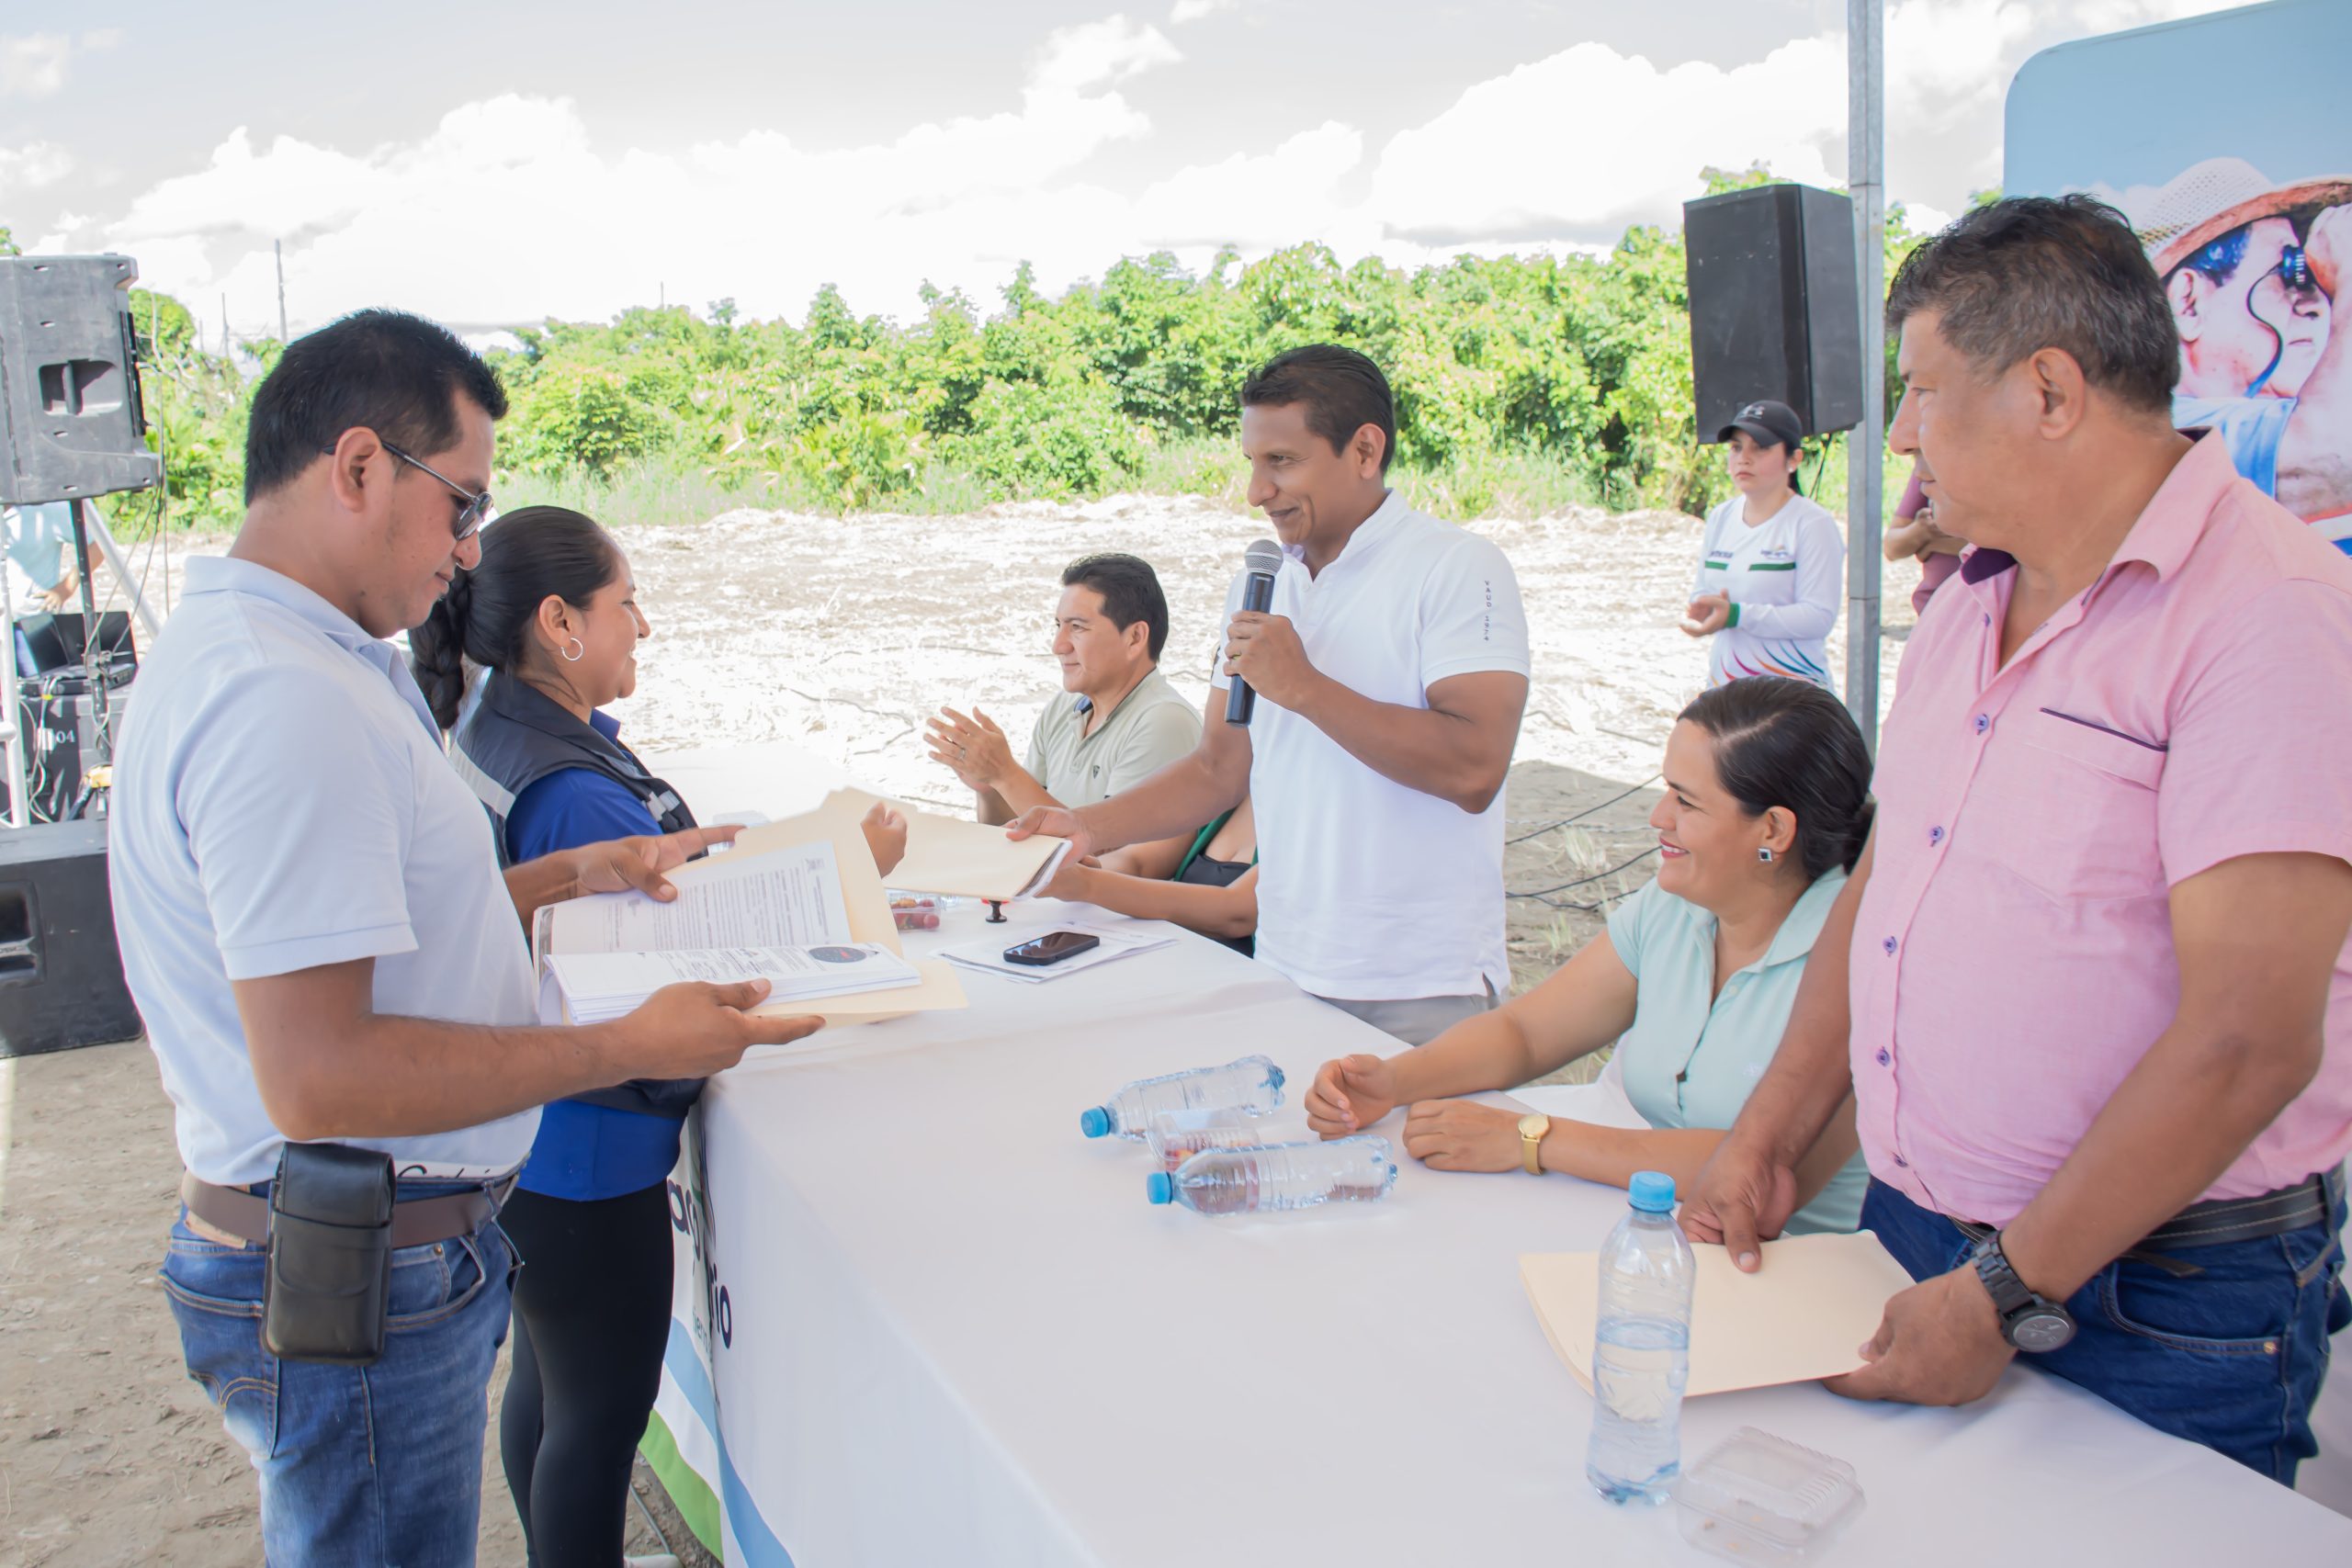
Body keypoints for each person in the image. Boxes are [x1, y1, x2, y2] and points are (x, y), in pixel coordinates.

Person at [107, 309, 822, 1566]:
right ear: (360, 465)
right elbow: (323, 1073)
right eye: (462, 502)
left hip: (360, 1246)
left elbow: (384, 934)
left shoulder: (276, 653)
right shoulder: (285, 699)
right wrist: (626, 1044)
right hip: (359, 1267)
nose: (468, 546)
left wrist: (560, 874)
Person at [1681, 197, 2352, 1484]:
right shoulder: (1966, 605)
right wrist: (1770, 1129)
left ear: (2048, 390)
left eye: (1924, 390)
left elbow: (2249, 1038)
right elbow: (1887, 888)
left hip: (2155, 1296)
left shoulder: (2269, 616)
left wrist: (2002, 1290)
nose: (1903, 433)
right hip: (1914, 1235)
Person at [408, 505, 905, 1566]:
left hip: (526, 1142)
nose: (643, 625)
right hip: (588, 1159)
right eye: (627, 603)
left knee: (549, 1392)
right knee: (596, 1426)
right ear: (560, 623)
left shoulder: (497, 724)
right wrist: (844, 874)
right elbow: (676, 961)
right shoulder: (575, 795)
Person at [1010, 345, 1531, 1046]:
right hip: (1284, 964)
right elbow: (1217, 770)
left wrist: (1305, 687)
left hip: (1417, 981)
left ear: (1365, 450)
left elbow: (1474, 768)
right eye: (1252, 463)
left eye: (1281, 461)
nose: (1257, 491)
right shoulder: (1258, 584)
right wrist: (1085, 827)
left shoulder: (1457, 567)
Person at [1304, 677, 1871, 1232]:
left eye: (1686, 801)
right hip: (1647, 1232)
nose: (1658, 817)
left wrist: (1531, 1138)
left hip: (1786, 1271)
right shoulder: (1675, 907)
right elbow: (1527, 1034)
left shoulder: (1862, 967)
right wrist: (1394, 1082)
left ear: (1773, 830)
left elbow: (1765, 1174)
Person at [927, 551, 1201, 875]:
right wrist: (989, 787)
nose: (1058, 645)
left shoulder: (1164, 721)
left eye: (1077, 627)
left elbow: (1114, 862)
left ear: (1135, 638)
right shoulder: (1063, 708)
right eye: (1058, 626)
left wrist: (1005, 774)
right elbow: (1017, 831)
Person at [2123, 156, 2352, 530]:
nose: (2316, 305)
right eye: (2290, 275)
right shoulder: (2162, 433)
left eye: (2320, 283)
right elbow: (2335, 460)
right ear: (2189, 303)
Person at [1682, 399, 1846, 688]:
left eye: (1760, 448)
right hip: (1727, 689)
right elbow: (1703, 591)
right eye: (1736, 447)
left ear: (1794, 459)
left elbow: (1818, 617)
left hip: (1793, 694)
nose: (1744, 458)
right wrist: (1702, 611)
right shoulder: (1721, 517)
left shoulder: (1812, 523)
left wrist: (1737, 615)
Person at [1044, 795, 1259, 955]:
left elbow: (1235, 914)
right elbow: (1139, 862)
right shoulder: (1225, 797)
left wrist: (1086, 883)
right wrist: (1082, 867)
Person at [3, 498, 106, 671]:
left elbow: (100, 544)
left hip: (33, 626)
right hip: (5, 624)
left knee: (40, 685)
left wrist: (66, 587)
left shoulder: (47, 508)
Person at [1881, 470, 1965, 617]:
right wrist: (1922, 530)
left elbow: (1996, 544)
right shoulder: (1927, 468)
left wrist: (1929, 544)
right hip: (1933, 609)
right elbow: (1891, 548)